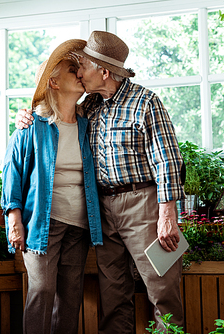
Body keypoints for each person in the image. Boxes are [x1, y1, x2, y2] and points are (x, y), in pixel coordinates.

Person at [16, 31, 185, 333]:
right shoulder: (90, 106)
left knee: (163, 287)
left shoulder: (146, 102)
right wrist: (26, 116)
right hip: (103, 210)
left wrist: (167, 215)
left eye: (83, 65)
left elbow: (168, 160)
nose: (79, 71)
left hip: (144, 205)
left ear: (103, 71)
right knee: (113, 294)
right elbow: (57, 114)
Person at [1, 39, 103, 334]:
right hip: (42, 224)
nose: (80, 74)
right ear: (54, 82)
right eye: (73, 70)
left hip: (80, 226)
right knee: (42, 290)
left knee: (70, 299)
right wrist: (15, 221)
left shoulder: (88, 122)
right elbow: (12, 174)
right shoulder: (31, 127)